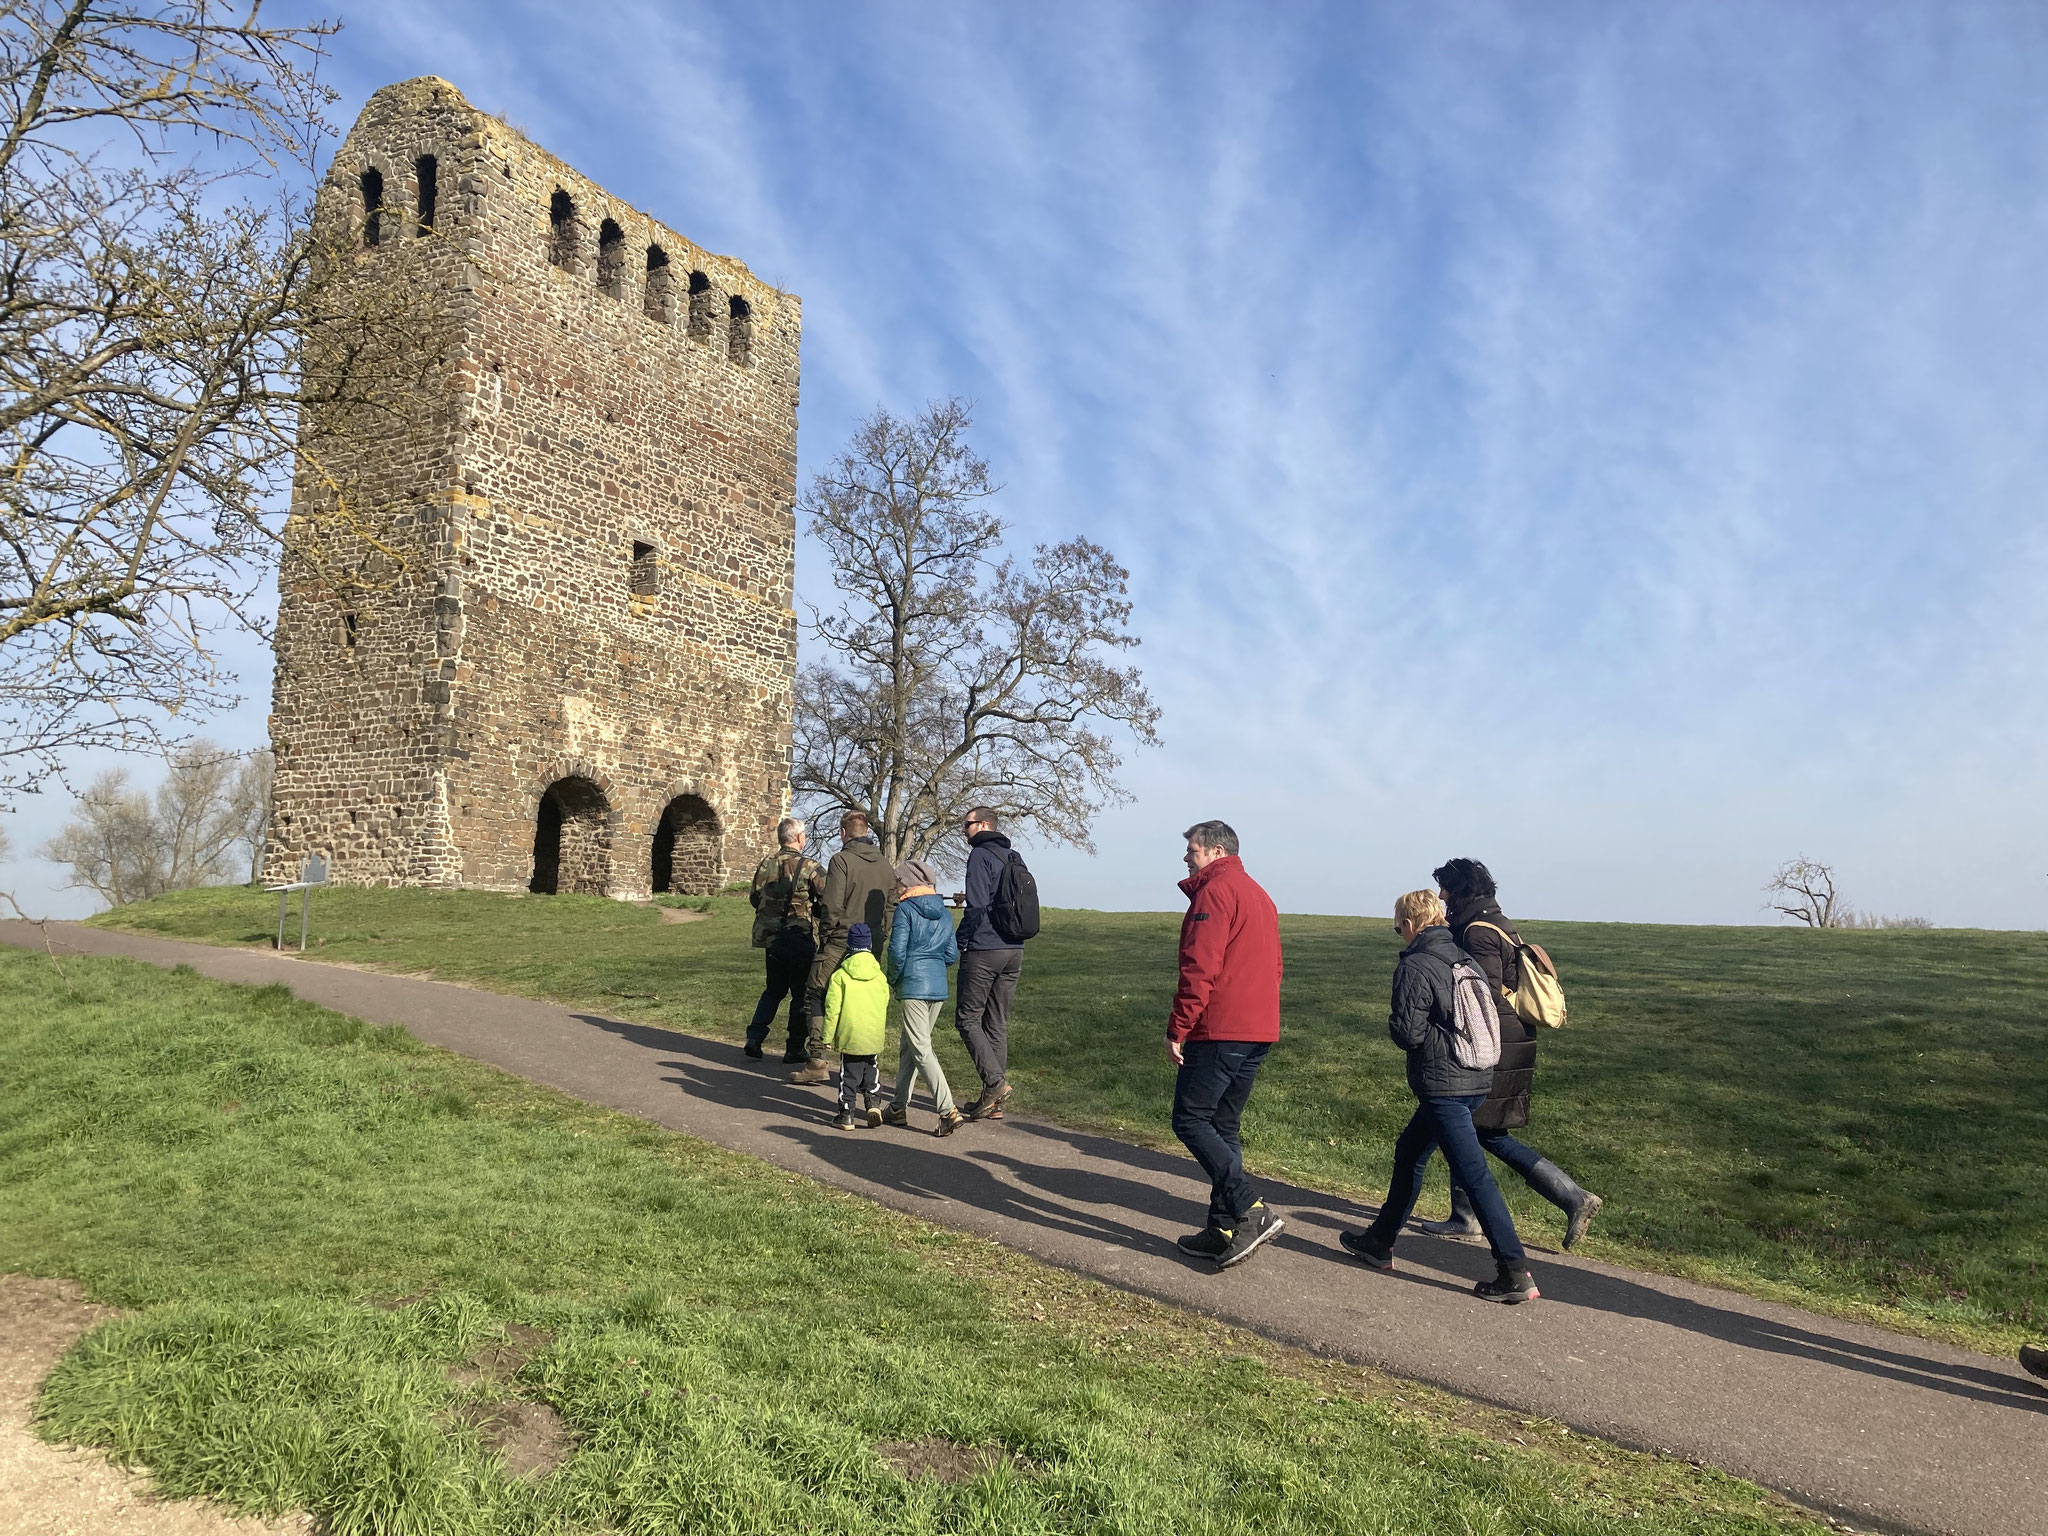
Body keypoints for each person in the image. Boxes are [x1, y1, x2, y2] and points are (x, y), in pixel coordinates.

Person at [1339, 889, 1539, 1304]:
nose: (1399, 935)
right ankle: (1379, 1242)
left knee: (1474, 1175)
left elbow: (1407, 1033)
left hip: (1444, 1087)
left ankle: (1514, 1270)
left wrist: (1415, 1028)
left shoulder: (1416, 965)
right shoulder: (1464, 958)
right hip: (1476, 1078)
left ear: (1411, 926)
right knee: (1410, 1152)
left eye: (1398, 928)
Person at [1408, 858, 1603, 1249]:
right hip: (1507, 1039)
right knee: (1478, 1130)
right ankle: (1558, 1199)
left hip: (1496, 1043)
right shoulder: (1494, 921)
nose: (1442, 895)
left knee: (1465, 1124)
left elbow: (1483, 995)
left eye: (1446, 888)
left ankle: (1562, 1199)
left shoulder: (1478, 932)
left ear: (1462, 890)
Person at [1166, 819, 1286, 1269]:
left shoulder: (1214, 892)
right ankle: (1223, 1227)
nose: (1186, 857)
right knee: (1223, 1125)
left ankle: (1250, 1208)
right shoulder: (1259, 893)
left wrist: (1179, 1025)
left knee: (1191, 1120)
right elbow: (1276, 966)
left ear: (1216, 851)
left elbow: (1200, 966)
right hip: (1258, 1028)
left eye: (1192, 850)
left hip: (1221, 1027)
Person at [793, 811, 896, 1085]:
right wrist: (881, 936)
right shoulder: (886, 865)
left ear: (843, 832)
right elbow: (891, 906)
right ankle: (863, 1066)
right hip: (872, 944)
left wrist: (827, 934)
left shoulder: (841, 860)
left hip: (840, 939)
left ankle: (816, 1058)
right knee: (860, 1000)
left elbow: (832, 904)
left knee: (815, 993)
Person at [883, 858, 967, 1136]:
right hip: (937, 986)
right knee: (910, 1046)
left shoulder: (905, 909)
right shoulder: (944, 912)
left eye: (897, 881)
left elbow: (897, 952)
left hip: (912, 985)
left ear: (907, 883)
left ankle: (947, 1110)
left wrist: (892, 978)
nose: (895, 886)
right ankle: (897, 1107)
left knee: (920, 1048)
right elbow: (952, 954)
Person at [952, 806, 1026, 1119]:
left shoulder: (980, 856)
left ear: (984, 825)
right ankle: (992, 1101)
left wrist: (960, 939)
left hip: (984, 948)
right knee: (996, 1022)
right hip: (1014, 948)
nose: (964, 830)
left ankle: (995, 1083)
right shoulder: (1014, 857)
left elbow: (977, 904)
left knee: (967, 1019)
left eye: (967, 824)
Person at [744, 818, 825, 1062]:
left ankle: (755, 1037)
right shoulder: (810, 866)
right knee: (800, 993)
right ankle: (794, 1047)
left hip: (772, 940)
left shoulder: (765, 864)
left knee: (773, 989)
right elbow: (829, 897)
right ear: (799, 838)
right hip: (799, 937)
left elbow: (754, 898)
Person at [823, 922, 890, 1129]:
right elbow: (884, 1003)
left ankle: (846, 1113)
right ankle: (873, 1102)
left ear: (849, 946)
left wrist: (825, 1038)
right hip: (872, 1034)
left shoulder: (840, 976)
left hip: (850, 1034)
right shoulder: (879, 977)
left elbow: (832, 1010)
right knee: (871, 1069)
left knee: (848, 1076)